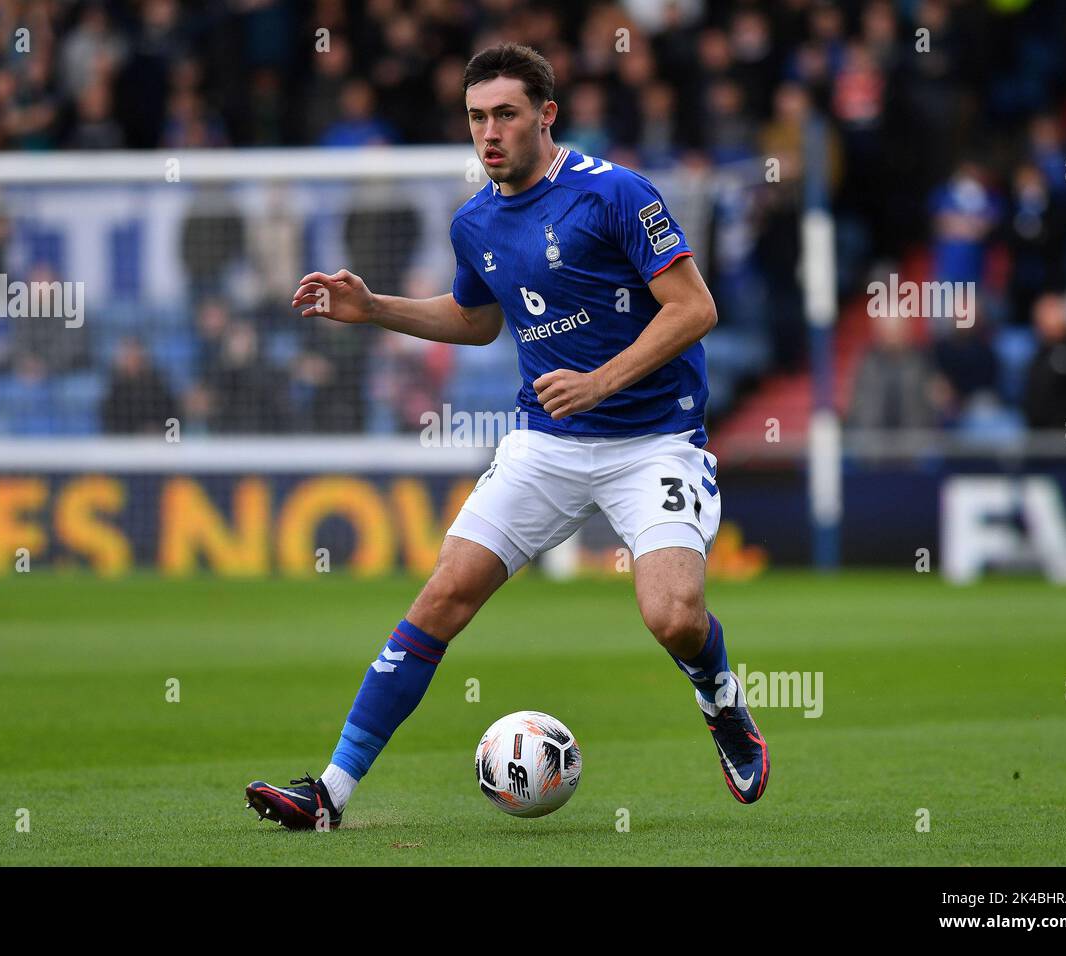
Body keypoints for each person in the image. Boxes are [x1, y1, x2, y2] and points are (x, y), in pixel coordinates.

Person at [247, 44, 768, 830]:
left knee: (673, 617)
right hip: (546, 443)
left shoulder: (615, 193)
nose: (489, 133)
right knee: (442, 597)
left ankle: (719, 697)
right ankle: (329, 794)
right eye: (477, 117)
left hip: (655, 438)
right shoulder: (474, 222)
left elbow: (694, 308)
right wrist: (377, 307)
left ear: (546, 115)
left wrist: (601, 381)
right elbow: (476, 318)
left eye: (506, 115)